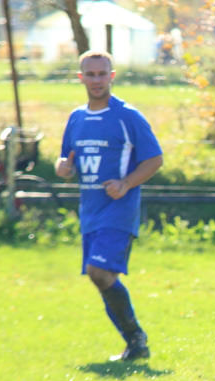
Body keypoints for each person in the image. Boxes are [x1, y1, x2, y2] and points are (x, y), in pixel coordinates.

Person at [55, 50, 163, 361]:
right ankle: (135, 342)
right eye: (91, 74)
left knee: (97, 270)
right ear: (81, 78)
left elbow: (154, 158)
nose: (97, 80)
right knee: (101, 276)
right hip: (90, 212)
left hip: (119, 211)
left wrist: (126, 183)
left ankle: (135, 337)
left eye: (103, 74)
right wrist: (61, 167)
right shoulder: (76, 118)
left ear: (112, 76)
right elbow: (66, 159)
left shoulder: (128, 116)